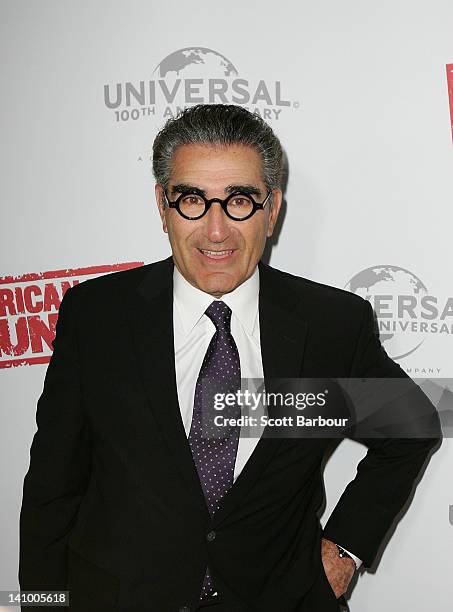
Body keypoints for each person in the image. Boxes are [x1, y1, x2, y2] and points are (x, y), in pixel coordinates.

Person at [19, 104, 441, 612]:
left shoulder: (330, 324)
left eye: (239, 200)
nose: (216, 230)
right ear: (162, 205)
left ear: (273, 208)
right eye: (192, 200)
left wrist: (346, 549)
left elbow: (411, 424)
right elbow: (51, 489)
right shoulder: (98, 317)